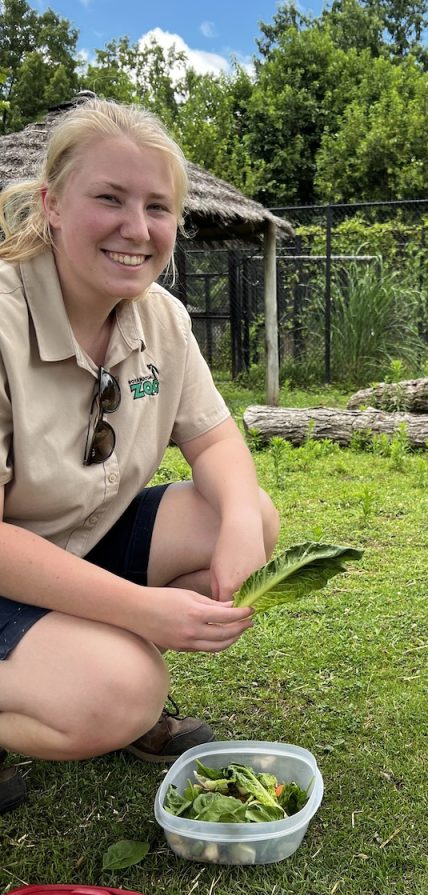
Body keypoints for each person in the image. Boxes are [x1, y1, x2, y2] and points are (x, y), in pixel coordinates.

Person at [0, 97, 279, 814]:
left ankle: (75, 658)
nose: (137, 229)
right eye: (109, 199)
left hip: (73, 540)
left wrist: (244, 528)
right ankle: (84, 684)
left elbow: (214, 438)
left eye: (158, 207)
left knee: (245, 515)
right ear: (52, 204)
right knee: (124, 692)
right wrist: (142, 612)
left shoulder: (161, 316)